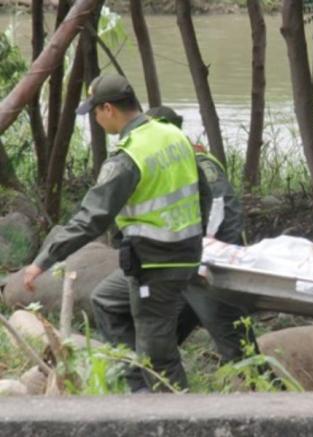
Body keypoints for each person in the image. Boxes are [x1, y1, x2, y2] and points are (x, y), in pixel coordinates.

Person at [23, 74, 203, 392]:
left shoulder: (128, 157)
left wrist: (42, 261)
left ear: (108, 109)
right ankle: (138, 389)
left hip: (156, 264)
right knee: (106, 300)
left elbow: (91, 219)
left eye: (95, 111)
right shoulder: (172, 134)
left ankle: (177, 411)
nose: (95, 118)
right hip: (184, 252)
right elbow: (205, 193)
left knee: (158, 353)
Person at [90, 105, 255, 392]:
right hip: (166, 265)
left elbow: (226, 213)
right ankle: (142, 388)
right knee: (115, 306)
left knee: (239, 351)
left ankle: (272, 401)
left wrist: (213, 261)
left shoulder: (197, 162)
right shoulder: (156, 162)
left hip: (206, 268)